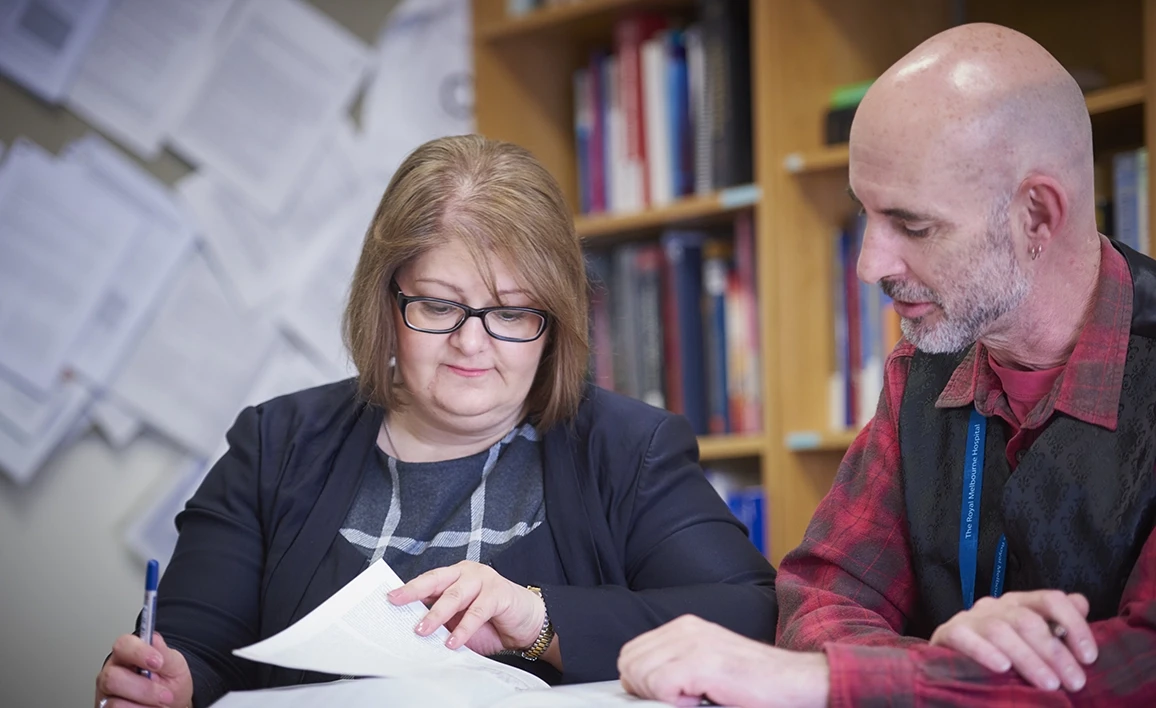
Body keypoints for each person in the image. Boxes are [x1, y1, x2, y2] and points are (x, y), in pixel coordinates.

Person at [93, 135, 778, 708]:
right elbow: (198, 654)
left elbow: (751, 617)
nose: (472, 344)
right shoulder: (275, 445)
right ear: (386, 303)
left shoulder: (629, 449)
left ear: (556, 321)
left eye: (511, 311)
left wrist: (536, 621)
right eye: (440, 306)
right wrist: (171, 689)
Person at [619, 22, 1156, 707]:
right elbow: (820, 597)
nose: (870, 264)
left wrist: (833, 680)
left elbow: (1140, 668)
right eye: (865, 215)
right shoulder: (922, 372)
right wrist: (943, 665)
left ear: (1038, 215)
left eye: (915, 225)